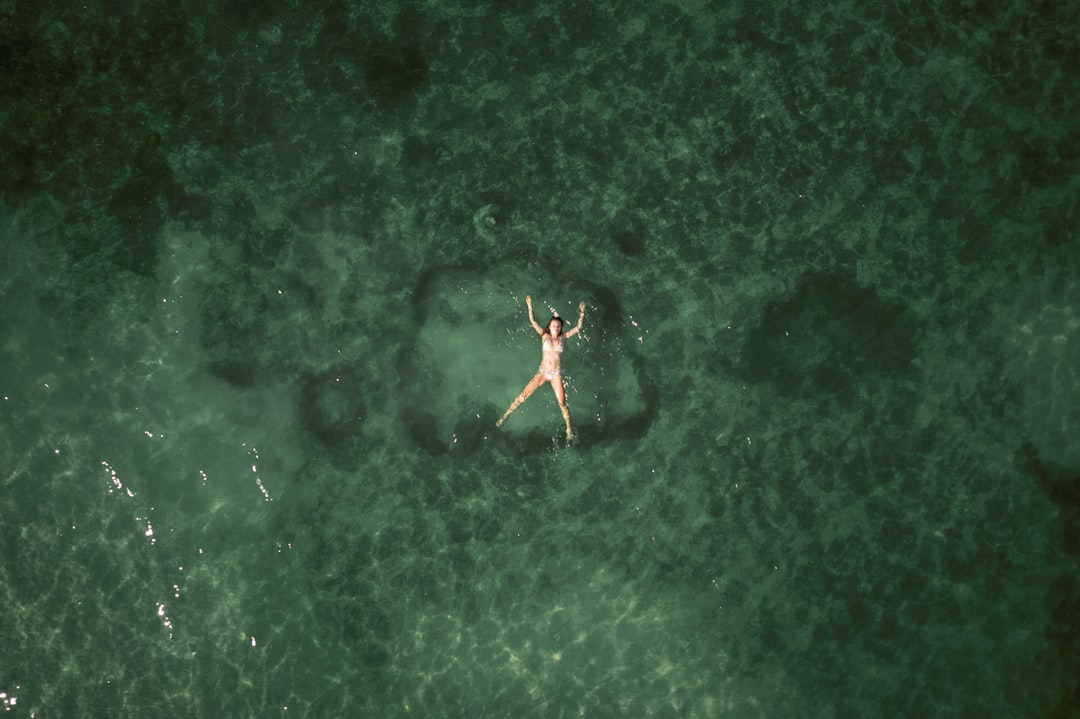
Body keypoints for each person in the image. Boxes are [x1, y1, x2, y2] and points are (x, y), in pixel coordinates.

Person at [496, 295, 586, 440]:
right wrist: (529, 305)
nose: (556, 327)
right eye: (554, 325)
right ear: (549, 327)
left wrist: (582, 312)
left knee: (562, 403)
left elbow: (578, 328)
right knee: (523, 395)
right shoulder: (544, 336)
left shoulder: (563, 338)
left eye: (558, 326)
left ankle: (568, 428)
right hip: (542, 372)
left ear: (561, 328)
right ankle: (505, 416)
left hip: (556, 374)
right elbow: (533, 321)